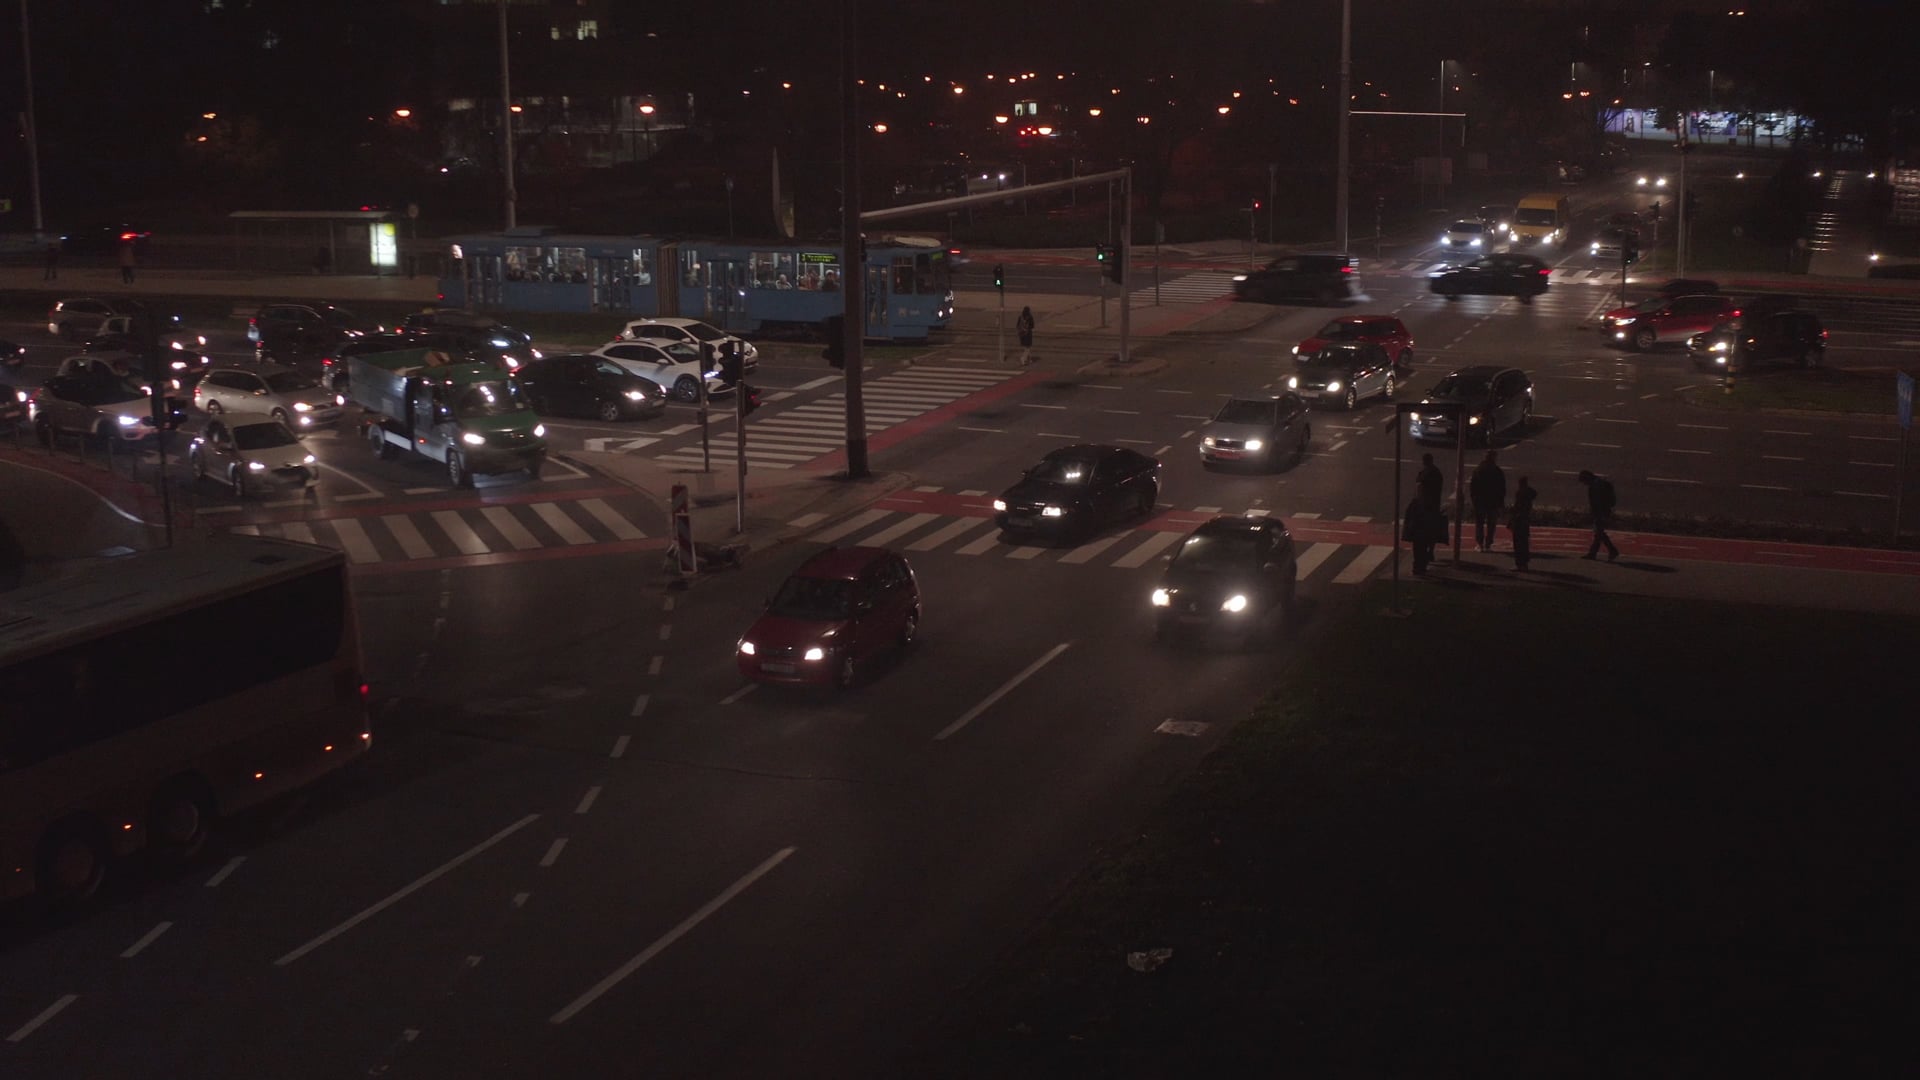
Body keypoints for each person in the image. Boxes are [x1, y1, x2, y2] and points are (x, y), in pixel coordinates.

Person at [1469, 450, 1507, 552]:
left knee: (1480, 522)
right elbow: (1502, 489)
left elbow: (1473, 486)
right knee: (1491, 524)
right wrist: (1501, 503)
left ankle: (1480, 543)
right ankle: (1488, 544)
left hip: (1481, 501)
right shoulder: (1497, 471)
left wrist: (1474, 499)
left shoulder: (1479, 470)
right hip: (1493, 502)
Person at [1578, 469, 1619, 561]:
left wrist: (1597, 514)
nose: (1584, 484)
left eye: (1584, 481)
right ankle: (1603, 552)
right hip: (1603, 512)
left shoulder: (1596, 486)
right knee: (1599, 533)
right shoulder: (1598, 483)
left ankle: (1609, 551)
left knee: (1599, 533)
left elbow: (1597, 502)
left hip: (1601, 512)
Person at [1509, 476, 1536, 571]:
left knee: (1518, 544)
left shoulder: (1520, 494)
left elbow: (1517, 508)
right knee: (1524, 543)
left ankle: (1519, 564)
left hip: (1519, 521)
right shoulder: (1529, 494)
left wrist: (1512, 519)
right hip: (1525, 521)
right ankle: (1524, 564)